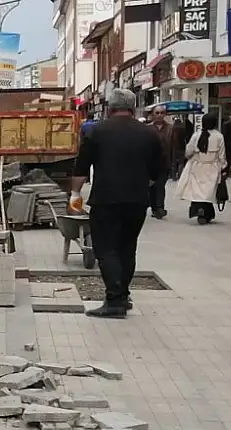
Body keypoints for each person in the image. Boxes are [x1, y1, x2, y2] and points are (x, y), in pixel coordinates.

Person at [69, 88, 163, 319]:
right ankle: (123, 295)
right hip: (137, 201)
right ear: (132, 107)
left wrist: (74, 193)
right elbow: (159, 171)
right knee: (127, 248)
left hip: (106, 200)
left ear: (110, 107)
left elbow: (81, 168)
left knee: (106, 249)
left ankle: (114, 301)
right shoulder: (149, 133)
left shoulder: (97, 131)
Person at [177, 113, 226, 225]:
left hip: (197, 166)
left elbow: (188, 151)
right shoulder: (219, 136)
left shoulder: (196, 135)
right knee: (208, 193)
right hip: (212, 167)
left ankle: (198, 210)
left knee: (197, 192)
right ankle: (206, 212)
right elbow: (222, 155)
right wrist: (223, 167)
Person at [146, 105, 172, 220]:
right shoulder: (147, 129)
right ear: (153, 115)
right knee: (152, 186)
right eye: (157, 113)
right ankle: (154, 207)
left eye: (162, 113)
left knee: (160, 185)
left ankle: (160, 208)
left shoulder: (170, 128)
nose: (160, 115)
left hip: (164, 162)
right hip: (150, 163)